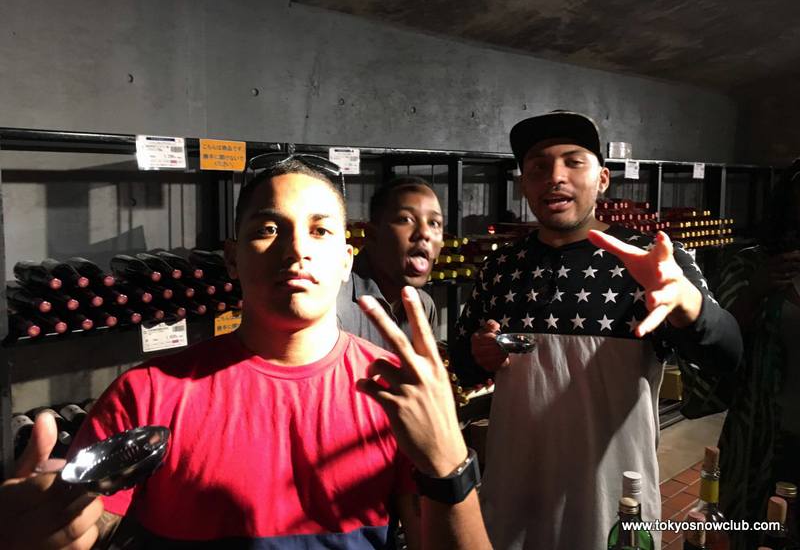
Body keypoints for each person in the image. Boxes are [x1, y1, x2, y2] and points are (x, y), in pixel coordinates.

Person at [0, 154, 491, 550]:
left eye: (320, 230)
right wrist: (52, 532)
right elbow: (95, 525)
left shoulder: (396, 393)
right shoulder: (145, 394)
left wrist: (448, 461)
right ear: (232, 259)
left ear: (346, 260)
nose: (296, 249)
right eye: (269, 229)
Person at [449, 110, 743, 550]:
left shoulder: (650, 261)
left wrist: (688, 306)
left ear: (603, 179)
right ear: (523, 185)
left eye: (573, 162)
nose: (555, 177)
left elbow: (729, 357)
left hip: (614, 506)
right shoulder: (500, 267)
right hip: (513, 501)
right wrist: (479, 355)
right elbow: (462, 364)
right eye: (538, 167)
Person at [716, 159, 800, 550]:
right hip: (761, 440)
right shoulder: (752, 264)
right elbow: (717, 346)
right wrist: (756, 290)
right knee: (750, 533)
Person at [337, 176, 444, 346]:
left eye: (434, 223)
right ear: (371, 235)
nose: (425, 233)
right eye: (405, 219)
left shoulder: (423, 306)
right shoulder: (335, 302)